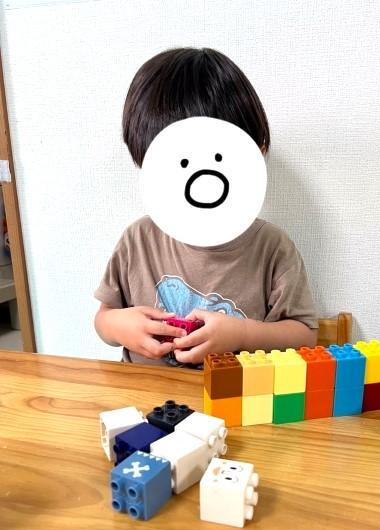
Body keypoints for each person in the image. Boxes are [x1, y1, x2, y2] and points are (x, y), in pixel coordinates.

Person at [94, 47, 317, 366]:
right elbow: (103, 319)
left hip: (236, 394)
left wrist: (242, 335)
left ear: (257, 154)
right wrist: (119, 326)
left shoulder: (272, 248)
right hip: (146, 392)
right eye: (179, 163)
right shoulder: (138, 239)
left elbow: (304, 336)